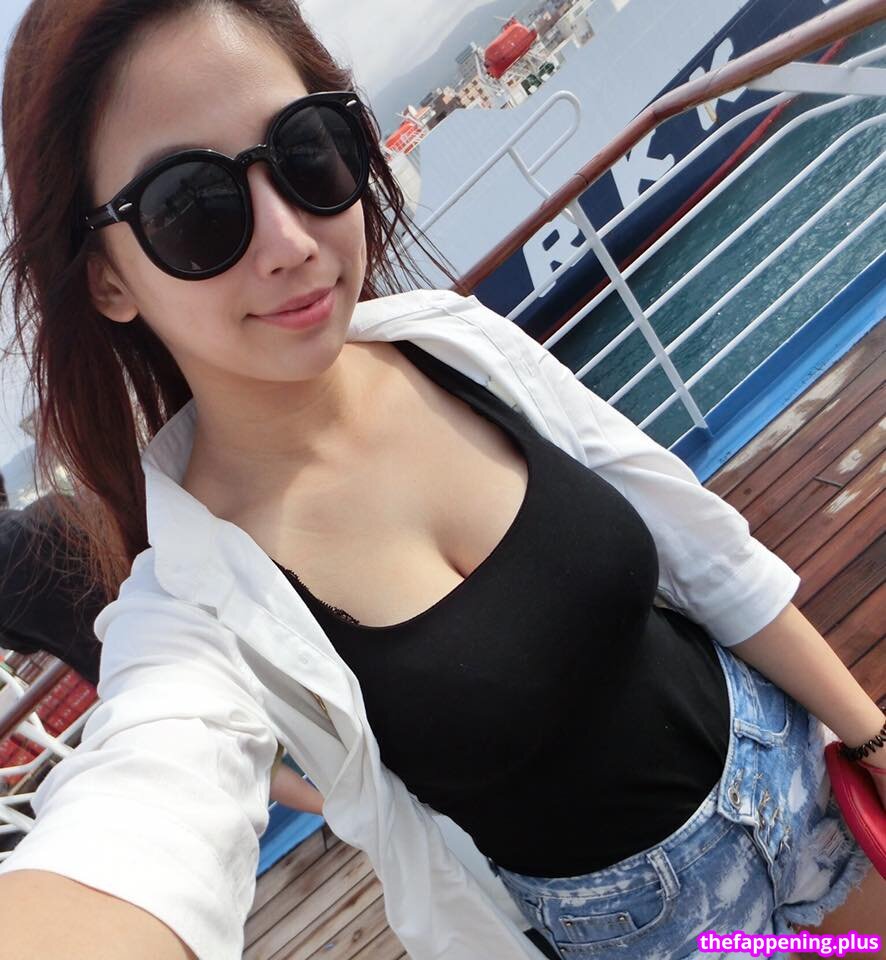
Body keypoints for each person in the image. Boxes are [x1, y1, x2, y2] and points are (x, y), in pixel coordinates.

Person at [0, 2, 882, 959]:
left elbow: (704, 550)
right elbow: (145, 806)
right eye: (191, 208)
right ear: (107, 279)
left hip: (800, 782)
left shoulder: (454, 345)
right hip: (664, 934)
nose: (290, 240)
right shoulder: (195, 605)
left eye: (307, 151)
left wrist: (869, 738)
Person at [0, 491, 324, 814]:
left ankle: (324, 809)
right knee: (285, 695)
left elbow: (23, 644)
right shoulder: (51, 510)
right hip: (179, 613)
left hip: (126, 667)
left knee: (241, 748)